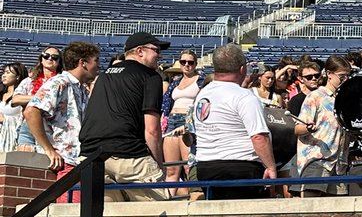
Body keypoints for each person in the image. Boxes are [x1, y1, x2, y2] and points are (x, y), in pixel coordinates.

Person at [78, 32, 171, 201]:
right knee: (160, 211)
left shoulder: (103, 76)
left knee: (105, 214)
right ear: (140, 51)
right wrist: (158, 164)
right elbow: (152, 130)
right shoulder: (150, 76)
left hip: (91, 156)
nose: (160, 56)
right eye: (156, 50)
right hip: (129, 155)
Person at [190, 44, 277, 199]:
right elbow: (258, 137)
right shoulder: (244, 96)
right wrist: (271, 167)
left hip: (206, 166)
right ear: (242, 69)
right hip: (241, 167)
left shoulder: (203, 94)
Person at [24, 41, 101, 185]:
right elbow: (31, 112)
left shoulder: (82, 89)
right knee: (70, 200)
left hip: (76, 161)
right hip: (62, 162)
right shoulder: (60, 82)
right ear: (83, 63)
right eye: (96, 61)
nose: (99, 66)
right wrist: (49, 149)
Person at [294, 55, 350, 197]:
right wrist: (307, 128)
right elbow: (298, 129)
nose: (345, 79)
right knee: (311, 207)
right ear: (329, 74)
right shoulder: (315, 96)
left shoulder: (346, 99)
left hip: (339, 165)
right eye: (342, 76)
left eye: (347, 76)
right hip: (317, 160)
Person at [162, 49, 205, 194]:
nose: (186, 65)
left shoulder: (201, 81)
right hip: (171, 121)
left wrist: (189, 124)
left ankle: (193, 197)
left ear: (195, 64)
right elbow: (166, 104)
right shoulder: (175, 83)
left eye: (190, 62)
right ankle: (168, 199)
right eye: (183, 62)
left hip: (188, 122)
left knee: (188, 166)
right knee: (171, 169)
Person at [0, 62, 29, 153]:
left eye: (8, 73)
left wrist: (4, 119)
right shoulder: (1, 94)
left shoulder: (21, 97)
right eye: (4, 72)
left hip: (10, 137)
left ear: (18, 76)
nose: (4, 75)